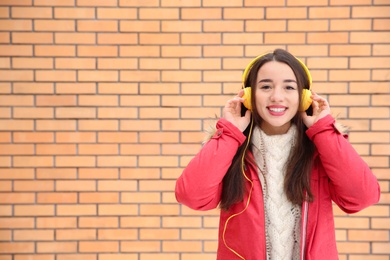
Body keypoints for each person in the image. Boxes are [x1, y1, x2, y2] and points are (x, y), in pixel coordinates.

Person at [175, 49, 380, 260]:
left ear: (304, 97)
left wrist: (325, 131)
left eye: (289, 87)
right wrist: (229, 132)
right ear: (247, 96)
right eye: (265, 86)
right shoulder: (232, 149)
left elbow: (363, 197)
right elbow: (191, 196)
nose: (277, 97)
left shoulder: (320, 151)